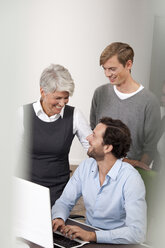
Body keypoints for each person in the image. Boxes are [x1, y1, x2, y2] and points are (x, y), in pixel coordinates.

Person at [52, 117, 146, 244]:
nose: (88, 138)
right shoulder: (86, 166)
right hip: (87, 238)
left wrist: (92, 236)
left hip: (117, 243)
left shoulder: (131, 179)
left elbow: (137, 232)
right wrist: (58, 217)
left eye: (94, 136)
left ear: (107, 148)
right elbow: (64, 201)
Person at [18, 64, 92, 206]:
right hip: (27, 188)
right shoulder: (22, 114)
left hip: (60, 193)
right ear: (42, 92)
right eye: (58, 98)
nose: (62, 103)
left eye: (66, 98)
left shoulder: (75, 115)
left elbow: (92, 148)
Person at [90, 42, 161, 169]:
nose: (107, 74)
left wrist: (136, 168)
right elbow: (94, 131)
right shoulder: (100, 94)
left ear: (128, 64)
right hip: (98, 169)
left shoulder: (149, 102)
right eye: (104, 69)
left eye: (112, 69)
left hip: (131, 173)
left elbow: (151, 146)